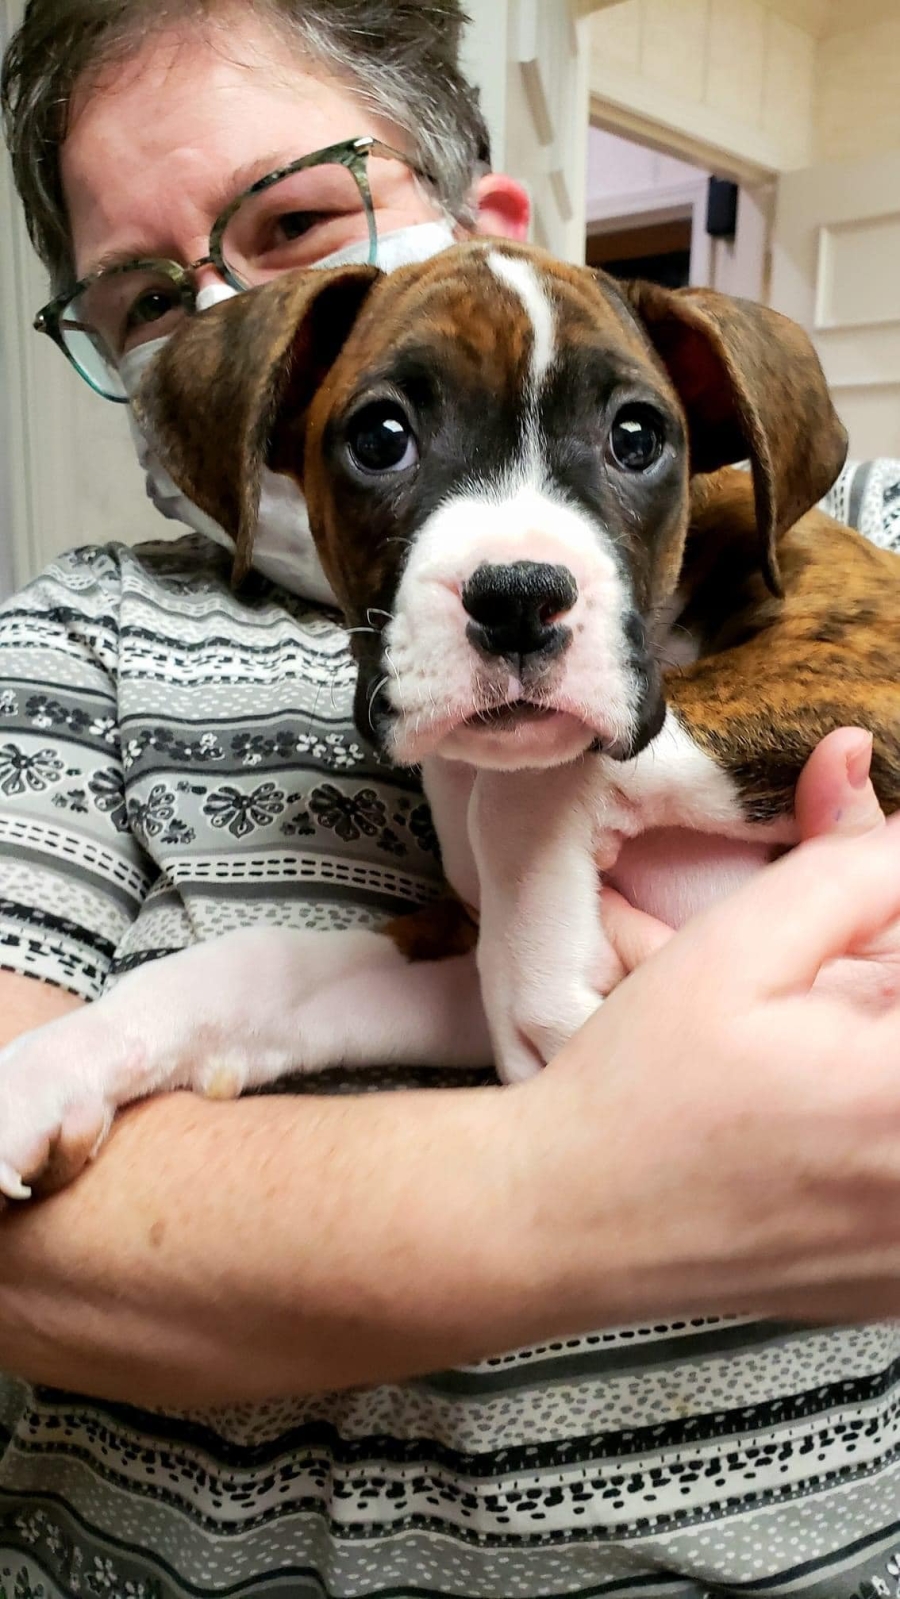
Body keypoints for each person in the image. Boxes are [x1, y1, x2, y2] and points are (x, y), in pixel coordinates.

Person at [1, 2, 900, 1594]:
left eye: (293, 219)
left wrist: (583, 813)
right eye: (146, 298)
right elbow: (452, 989)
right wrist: (601, 1179)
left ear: (485, 217)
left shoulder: (784, 538)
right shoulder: (74, 641)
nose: (223, 312)